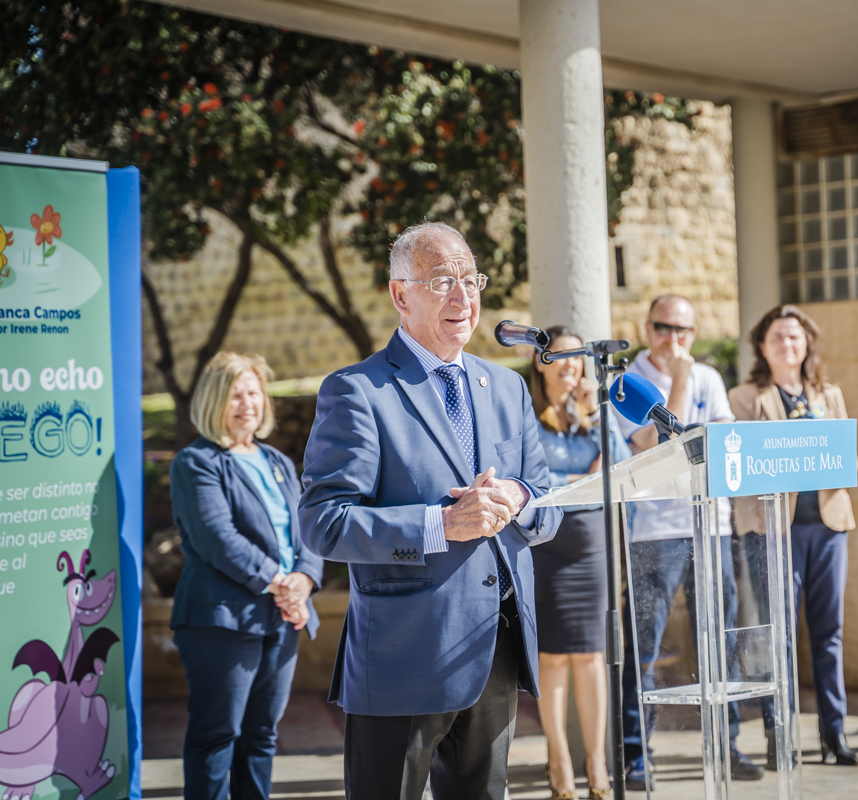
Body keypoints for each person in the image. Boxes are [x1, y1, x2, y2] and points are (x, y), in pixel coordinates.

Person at [299, 222, 563, 800]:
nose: (462, 297)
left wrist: (518, 498)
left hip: (493, 647)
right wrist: (438, 524)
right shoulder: (357, 391)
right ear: (401, 294)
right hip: (404, 654)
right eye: (442, 280)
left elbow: (546, 503)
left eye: (471, 280)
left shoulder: (507, 387)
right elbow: (323, 522)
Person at [617, 295, 765, 788]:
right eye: (663, 327)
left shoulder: (709, 378)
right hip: (654, 531)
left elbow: (722, 444)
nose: (673, 339)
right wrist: (679, 383)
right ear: (647, 329)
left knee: (719, 637)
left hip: (710, 525)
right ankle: (637, 753)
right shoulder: (629, 384)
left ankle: (726, 743)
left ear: (694, 333)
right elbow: (652, 448)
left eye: (682, 330)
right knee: (645, 645)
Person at [169, 352, 323, 800]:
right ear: (213, 400)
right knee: (217, 735)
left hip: (283, 618)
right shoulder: (196, 462)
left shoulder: (276, 460)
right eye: (235, 395)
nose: (248, 404)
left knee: (261, 736)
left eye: (254, 393)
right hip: (223, 620)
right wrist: (283, 584)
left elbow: (306, 531)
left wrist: (305, 579)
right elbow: (217, 539)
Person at [729, 305, 858, 768]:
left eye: (795, 336)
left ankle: (834, 733)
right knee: (776, 636)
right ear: (763, 347)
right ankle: (779, 736)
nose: (788, 344)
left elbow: (847, 459)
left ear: (807, 344)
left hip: (827, 528)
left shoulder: (829, 394)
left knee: (829, 635)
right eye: (778, 337)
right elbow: (741, 463)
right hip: (771, 533)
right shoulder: (745, 398)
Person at [530, 325, 632, 800]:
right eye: (560, 356)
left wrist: (597, 414)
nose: (571, 365)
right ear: (541, 361)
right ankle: (559, 762)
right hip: (544, 542)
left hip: (591, 543)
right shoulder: (527, 414)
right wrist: (579, 480)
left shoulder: (593, 410)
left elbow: (620, 466)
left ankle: (597, 762)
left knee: (592, 655)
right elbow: (531, 482)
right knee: (551, 657)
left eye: (577, 357)